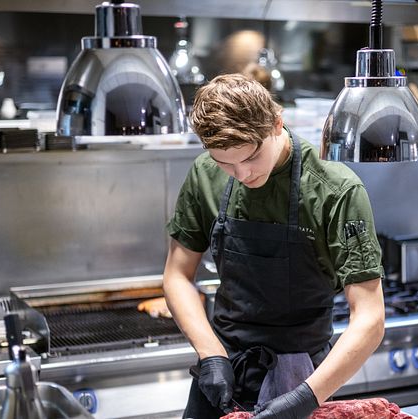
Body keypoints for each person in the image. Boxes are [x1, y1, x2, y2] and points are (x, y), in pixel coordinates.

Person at [162, 73, 385, 419]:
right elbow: (177, 275)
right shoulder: (205, 173)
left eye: (251, 158)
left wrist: (305, 399)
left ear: (277, 124)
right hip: (224, 371)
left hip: (305, 377)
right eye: (225, 163)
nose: (242, 174)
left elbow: (370, 317)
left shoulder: (335, 190)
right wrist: (211, 356)